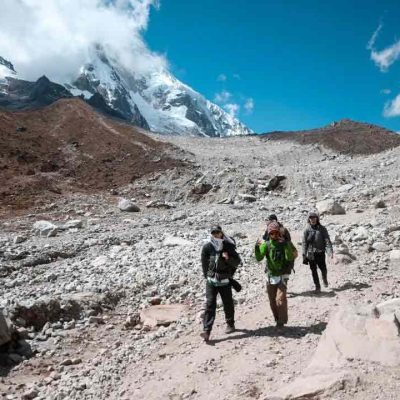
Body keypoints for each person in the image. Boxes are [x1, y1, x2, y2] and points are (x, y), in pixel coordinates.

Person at [200, 225, 241, 342]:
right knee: (210, 303)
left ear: (222, 233)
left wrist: (228, 259)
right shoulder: (208, 247)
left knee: (227, 302)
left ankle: (230, 324)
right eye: (213, 233)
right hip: (211, 280)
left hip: (225, 280)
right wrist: (207, 276)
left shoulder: (228, 246)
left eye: (217, 232)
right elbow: (204, 262)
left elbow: (237, 262)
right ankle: (206, 331)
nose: (215, 235)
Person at [255, 221, 297, 328]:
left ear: (279, 233)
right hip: (270, 276)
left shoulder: (285, 243)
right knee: (272, 301)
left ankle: (281, 322)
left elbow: (290, 257)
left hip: (283, 276)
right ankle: (277, 318)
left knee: (280, 300)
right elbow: (259, 257)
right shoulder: (267, 245)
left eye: (276, 233)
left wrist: (286, 244)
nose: (274, 235)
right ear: (269, 234)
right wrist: (256, 247)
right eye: (271, 233)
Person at [302, 212, 334, 293]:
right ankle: (317, 286)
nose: (312, 219)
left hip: (320, 252)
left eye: (314, 218)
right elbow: (304, 243)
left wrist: (330, 252)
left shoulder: (322, 229)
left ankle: (324, 279)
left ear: (317, 219)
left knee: (323, 269)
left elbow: (327, 241)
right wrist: (304, 254)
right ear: (309, 219)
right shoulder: (306, 229)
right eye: (311, 218)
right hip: (311, 253)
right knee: (313, 270)